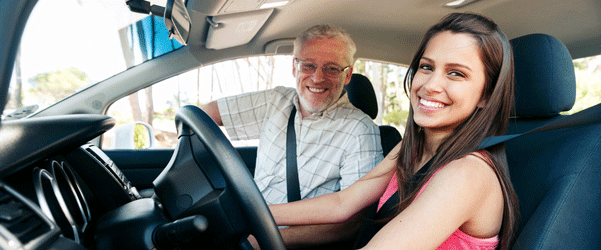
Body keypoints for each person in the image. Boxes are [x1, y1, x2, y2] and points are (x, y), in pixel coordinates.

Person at [268, 12, 520, 250]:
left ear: (487, 94)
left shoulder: (467, 173)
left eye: (455, 73)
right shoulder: (414, 148)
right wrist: (256, 212)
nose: (430, 85)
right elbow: (342, 204)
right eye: (427, 67)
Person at [201, 24, 384, 206]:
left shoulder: (360, 131)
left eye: (332, 68)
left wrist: (259, 236)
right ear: (294, 68)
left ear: (348, 74)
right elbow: (206, 114)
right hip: (248, 218)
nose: (317, 77)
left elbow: (351, 221)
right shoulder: (275, 100)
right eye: (308, 65)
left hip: (281, 234)